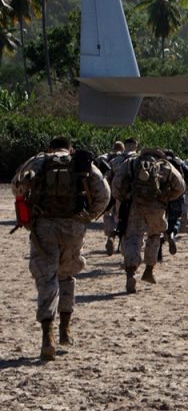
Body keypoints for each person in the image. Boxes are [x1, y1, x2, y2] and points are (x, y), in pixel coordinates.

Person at [11, 135, 110, 361]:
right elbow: (104, 195)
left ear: (50, 147)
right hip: (74, 226)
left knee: (47, 277)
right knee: (67, 275)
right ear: (70, 148)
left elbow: (17, 187)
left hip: (44, 226)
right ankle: (66, 330)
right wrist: (89, 216)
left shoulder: (38, 161)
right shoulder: (82, 164)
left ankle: (48, 336)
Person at [111, 147, 185, 294]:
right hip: (157, 208)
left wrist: (124, 198)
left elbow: (116, 184)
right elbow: (181, 187)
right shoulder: (165, 166)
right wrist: (166, 197)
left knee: (133, 238)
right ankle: (149, 270)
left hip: (135, 206)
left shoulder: (131, 162)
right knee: (154, 236)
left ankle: (130, 273)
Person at [105, 137, 139, 255]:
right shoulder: (140, 160)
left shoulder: (115, 160)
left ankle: (114, 235)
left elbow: (107, 178)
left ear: (125, 146)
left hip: (119, 196)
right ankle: (128, 254)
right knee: (135, 225)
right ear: (136, 146)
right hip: (138, 198)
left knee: (119, 220)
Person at [159, 149, 188, 260]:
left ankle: (158, 252)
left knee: (158, 223)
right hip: (177, 197)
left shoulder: (159, 164)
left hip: (161, 198)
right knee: (174, 220)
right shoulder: (179, 163)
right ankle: (172, 235)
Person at [96, 140, 124, 254]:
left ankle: (110, 236)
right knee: (120, 216)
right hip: (121, 193)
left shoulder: (105, 158)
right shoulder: (124, 158)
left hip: (108, 191)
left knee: (108, 216)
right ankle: (120, 243)